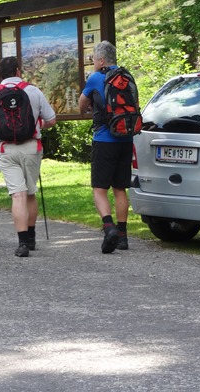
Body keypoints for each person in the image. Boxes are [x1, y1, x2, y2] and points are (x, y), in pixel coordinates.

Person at [0, 56, 56, 257]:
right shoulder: (33, 91)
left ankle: (22, 244)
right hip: (31, 147)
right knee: (30, 193)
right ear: (18, 71)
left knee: (17, 195)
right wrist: (37, 125)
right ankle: (31, 237)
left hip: (6, 149)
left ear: (0, 75)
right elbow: (51, 119)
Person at [78, 40, 134, 253]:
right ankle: (123, 236)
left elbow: (82, 104)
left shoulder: (95, 78)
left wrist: (90, 108)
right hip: (126, 139)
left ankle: (109, 228)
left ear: (101, 60)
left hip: (104, 139)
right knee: (120, 188)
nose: (93, 63)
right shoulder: (127, 76)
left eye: (94, 59)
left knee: (100, 188)